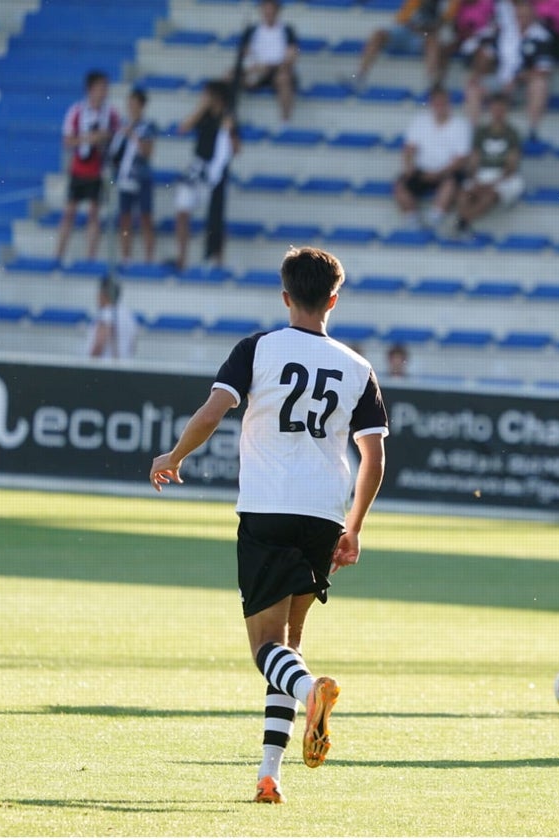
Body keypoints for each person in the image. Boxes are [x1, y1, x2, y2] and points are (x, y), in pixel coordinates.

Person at [149, 246, 389, 804]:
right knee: (291, 643)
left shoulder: (257, 349)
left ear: (285, 296)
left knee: (265, 649)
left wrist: (175, 456)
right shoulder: (358, 367)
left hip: (267, 507)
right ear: (334, 298)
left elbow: (213, 411)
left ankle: (311, 692)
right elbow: (373, 458)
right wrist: (354, 527)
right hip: (325, 512)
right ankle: (268, 774)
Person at [54, 70, 120, 264]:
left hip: (98, 171)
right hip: (79, 169)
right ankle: (58, 255)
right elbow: (67, 141)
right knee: (69, 213)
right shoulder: (76, 111)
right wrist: (89, 138)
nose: (104, 91)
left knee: (94, 214)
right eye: (100, 87)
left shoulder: (111, 114)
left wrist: (105, 138)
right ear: (90, 89)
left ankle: (90, 257)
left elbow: (117, 139)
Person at [462, 0, 553, 139]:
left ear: (533, 14)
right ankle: (472, 130)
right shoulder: (505, 32)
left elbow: (543, 70)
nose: (521, 18)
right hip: (500, 81)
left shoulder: (541, 36)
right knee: (473, 86)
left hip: (522, 86)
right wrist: (479, 71)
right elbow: (490, 55)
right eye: (519, 14)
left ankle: (533, 128)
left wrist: (517, 78)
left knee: (540, 84)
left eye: (525, 14)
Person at [173, 81, 237, 273]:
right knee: (182, 210)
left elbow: (236, 148)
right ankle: (181, 258)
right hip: (197, 168)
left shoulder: (228, 118)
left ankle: (218, 260)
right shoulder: (203, 115)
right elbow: (182, 128)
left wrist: (229, 132)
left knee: (216, 216)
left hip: (215, 172)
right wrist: (201, 108)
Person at [394, 85, 472, 230]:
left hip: (447, 172)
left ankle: (435, 218)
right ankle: (413, 220)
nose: (440, 105)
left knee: (450, 183)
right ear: (431, 103)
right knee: (400, 187)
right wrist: (409, 167)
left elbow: (461, 158)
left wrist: (439, 173)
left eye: (443, 101)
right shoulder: (420, 122)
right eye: (436, 102)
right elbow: (409, 149)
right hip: (422, 170)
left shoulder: (460, 125)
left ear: (448, 102)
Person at [454, 91, 524, 237]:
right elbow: (474, 160)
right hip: (482, 173)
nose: (498, 112)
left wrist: (492, 183)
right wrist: (474, 179)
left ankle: (463, 222)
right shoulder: (481, 132)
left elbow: (511, 165)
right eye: (495, 108)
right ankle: (464, 223)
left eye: (501, 109)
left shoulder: (512, 133)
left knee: (489, 196)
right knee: (464, 195)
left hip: (502, 177)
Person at [230, 0, 299, 128]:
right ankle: (229, 115)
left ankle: (285, 121)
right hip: (255, 70)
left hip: (277, 71)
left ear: (277, 10)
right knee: (229, 76)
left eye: (271, 8)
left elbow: (292, 54)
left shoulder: (287, 30)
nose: (268, 11)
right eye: (266, 8)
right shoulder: (251, 30)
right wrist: (250, 66)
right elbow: (243, 54)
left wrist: (271, 67)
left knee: (283, 79)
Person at [109, 87, 157, 265]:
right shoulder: (122, 125)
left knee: (145, 216)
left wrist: (133, 135)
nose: (131, 107)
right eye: (129, 104)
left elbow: (147, 153)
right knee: (125, 217)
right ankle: (125, 256)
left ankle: (149, 258)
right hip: (124, 177)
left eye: (135, 104)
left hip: (141, 177)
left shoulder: (148, 126)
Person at [353, 0, 446, 90]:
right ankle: (359, 76)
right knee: (379, 34)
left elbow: (443, 22)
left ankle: (431, 83)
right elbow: (403, 19)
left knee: (432, 42)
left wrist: (425, 28)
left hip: (423, 35)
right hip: (405, 30)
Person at [85, 275, 138, 360]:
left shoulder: (107, 314)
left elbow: (99, 344)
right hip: (125, 366)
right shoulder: (129, 316)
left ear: (103, 294)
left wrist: (89, 363)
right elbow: (133, 347)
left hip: (105, 367)